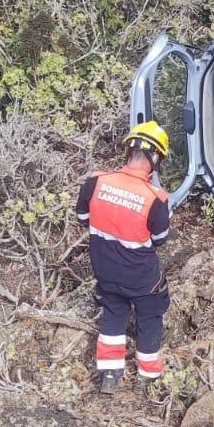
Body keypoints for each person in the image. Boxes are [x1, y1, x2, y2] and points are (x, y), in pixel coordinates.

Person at [78, 122, 173, 393]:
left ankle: (110, 375)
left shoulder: (96, 182)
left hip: (105, 270)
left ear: (128, 151)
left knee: (113, 313)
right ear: (156, 159)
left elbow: (82, 218)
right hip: (141, 277)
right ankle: (148, 376)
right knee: (150, 316)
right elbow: (159, 240)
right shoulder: (156, 199)